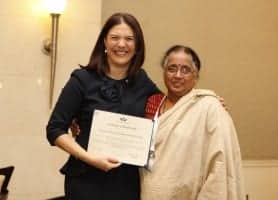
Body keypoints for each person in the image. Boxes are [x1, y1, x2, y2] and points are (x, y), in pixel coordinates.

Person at [46, 12, 160, 200]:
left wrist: (208, 101)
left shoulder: (143, 81)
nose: (121, 44)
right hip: (86, 182)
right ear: (104, 43)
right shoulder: (81, 80)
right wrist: (89, 158)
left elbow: (170, 108)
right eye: (115, 38)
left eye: (129, 39)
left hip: (128, 184)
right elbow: (54, 129)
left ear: (137, 46)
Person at [140, 45, 245, 200]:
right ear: (164, 73)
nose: (177, 75)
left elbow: (220, 163)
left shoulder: (210, 107)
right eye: (172, 68)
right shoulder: (152, 103)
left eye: (185, 70)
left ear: (195, 76)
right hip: (149, 192)